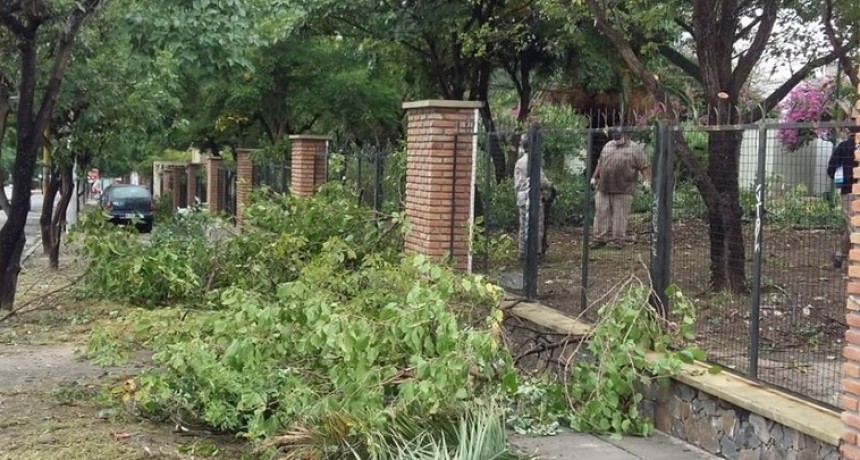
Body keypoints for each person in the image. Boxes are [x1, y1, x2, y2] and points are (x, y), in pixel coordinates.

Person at [590, 127, 651, 248]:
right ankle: (599, 239)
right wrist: (594, 177)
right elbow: (600, 163)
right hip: (604, 187)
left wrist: (647, 181)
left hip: (623, 188)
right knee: (601, 213)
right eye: (614, 136)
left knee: (620, 216)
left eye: (618, 136)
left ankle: (619, 241)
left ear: (624, 134)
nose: (616, 138)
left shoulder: (634, 148)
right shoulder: (608, 145)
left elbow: (645, 166)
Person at [514, 133, 555, 260]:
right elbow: (541, 181)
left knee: (523, 225)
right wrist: (551, 186)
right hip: (532, 195)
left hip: (521, 195)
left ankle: (522, 251)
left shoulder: (519, 161)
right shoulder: (533, 160)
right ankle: (534, 253)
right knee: (536, 225)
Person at [827, 125, 859, 269]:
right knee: (853, 226)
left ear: (849, 132)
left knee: (853, 226)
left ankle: (841, 256)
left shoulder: (843, 147)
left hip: (848, 192)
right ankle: (841, 257)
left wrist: (842, 178)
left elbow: (831, 169)